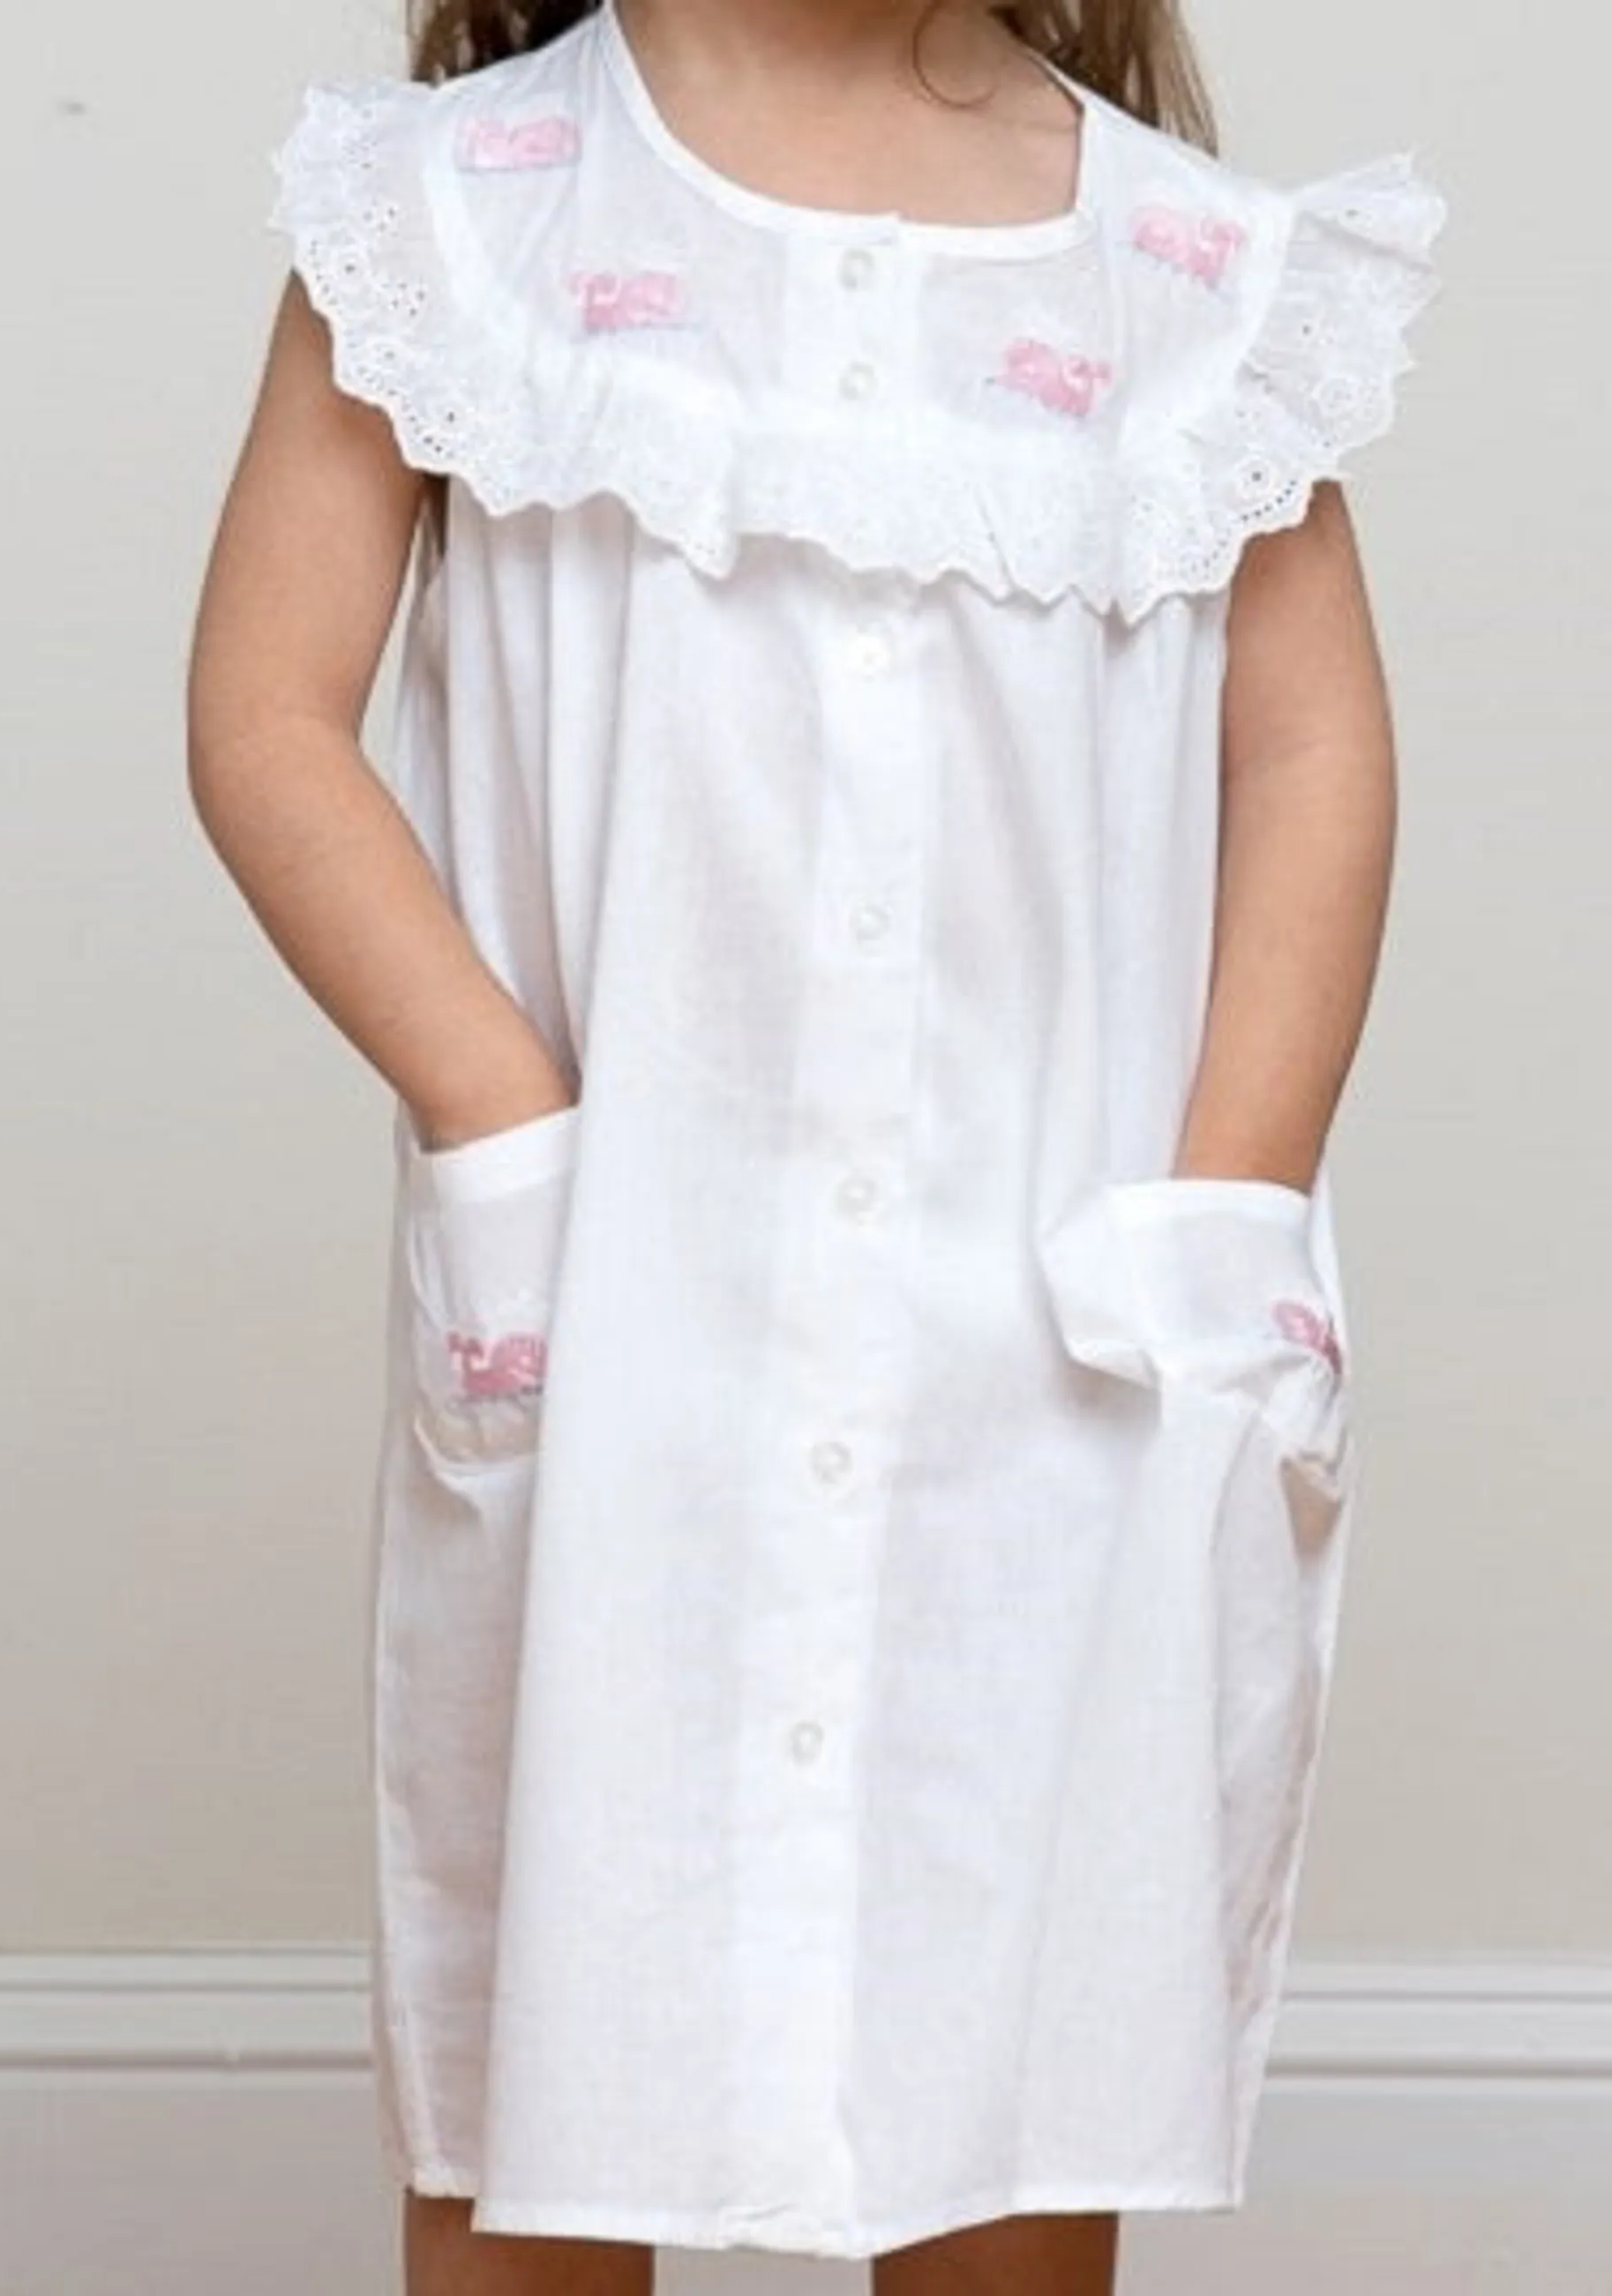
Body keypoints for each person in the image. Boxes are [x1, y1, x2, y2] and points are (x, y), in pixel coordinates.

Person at [185, 2, 1446, 2291]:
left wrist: (1230, 1207)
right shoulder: (454, 217)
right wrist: (506, 1126)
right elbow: (269, 711)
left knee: (1011, 2056)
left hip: (1047, 1351)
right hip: (616, 1323)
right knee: (538, 2037)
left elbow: (1309, 750)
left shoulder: (1196, 283)